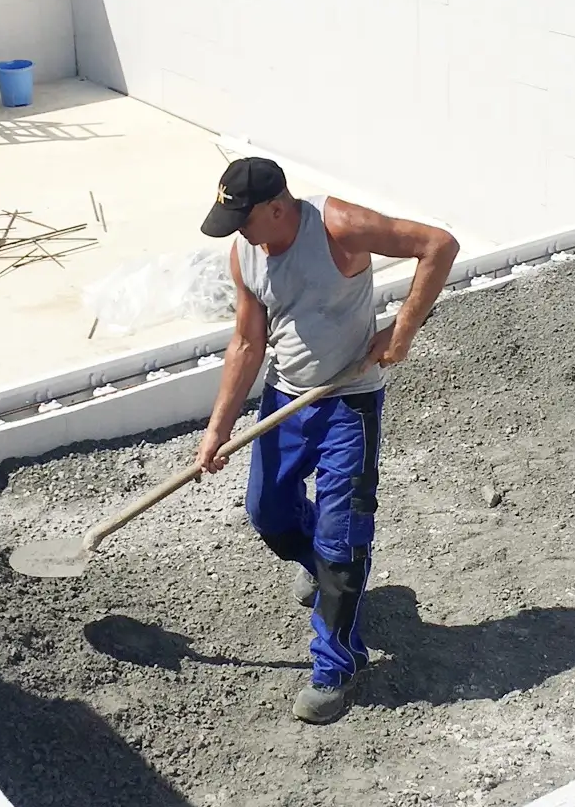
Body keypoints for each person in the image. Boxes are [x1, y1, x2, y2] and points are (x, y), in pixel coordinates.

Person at [194, 157, 459, 723]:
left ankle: (335, 665)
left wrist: (403, 328)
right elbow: (246, 342)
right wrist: (218, 428)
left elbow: (439, 245)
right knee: (267, 512)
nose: (239, 231)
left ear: (277, 207)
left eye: (245, 219)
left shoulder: (338, 225)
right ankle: (322, 567)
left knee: (343, 537)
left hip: (349, 401)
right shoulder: (245, 254)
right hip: (285, 400)